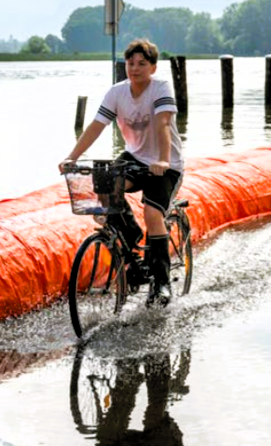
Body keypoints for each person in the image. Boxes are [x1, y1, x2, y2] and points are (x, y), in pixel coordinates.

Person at [61, 38, 184, 306]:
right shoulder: (116, 92)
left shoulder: (161, 88)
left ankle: (161, 283)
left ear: (153, 67)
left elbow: (163, 125)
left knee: (153, 213)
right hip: (135, 156)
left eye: (142, 63)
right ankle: (132, 242)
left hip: (166, 163)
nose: (135, 68)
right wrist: (72, 157)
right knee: (103, 188)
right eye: (130, 63)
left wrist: (163, 161)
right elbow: (96, 125)